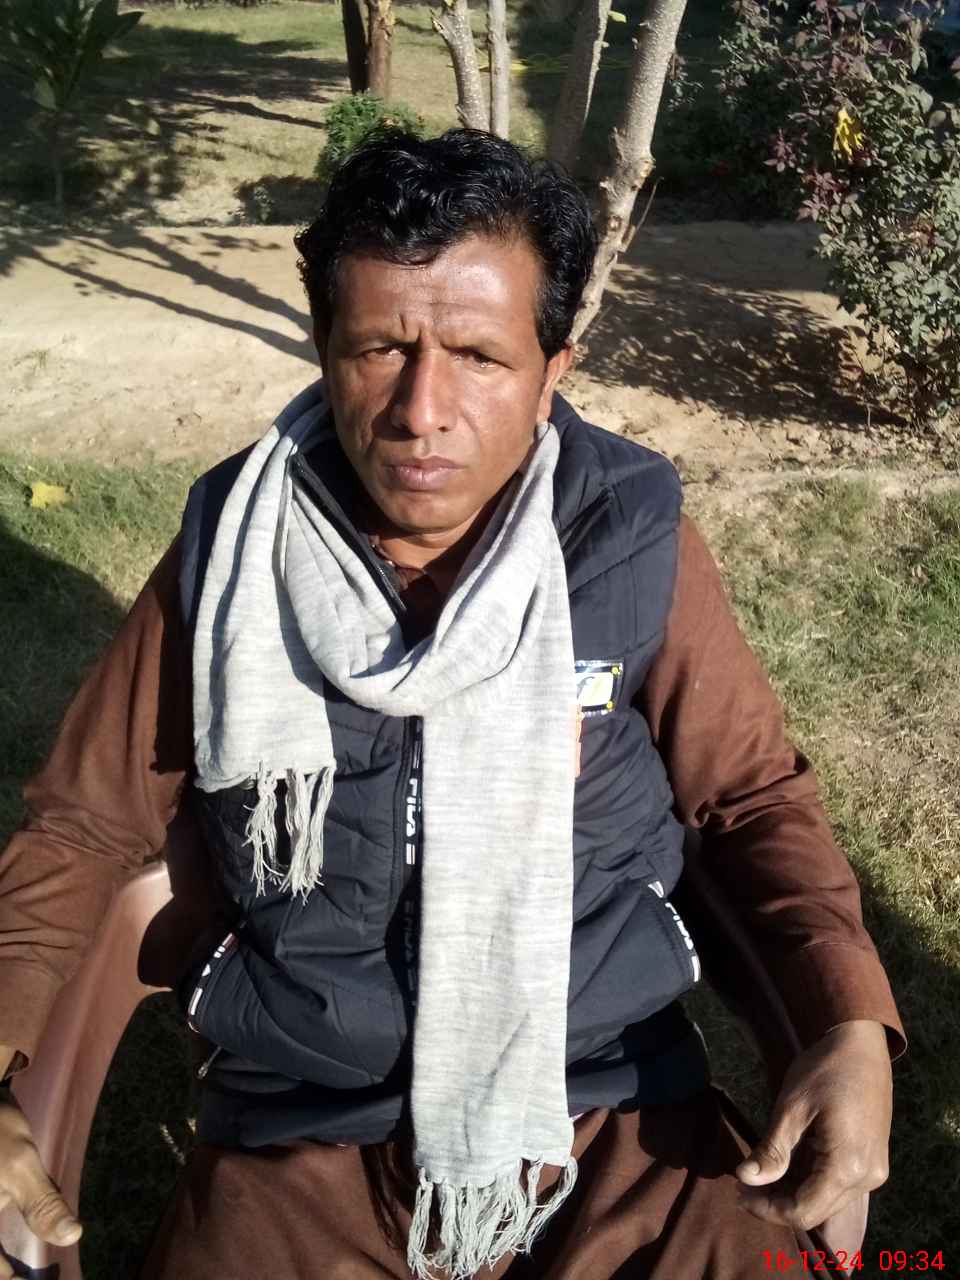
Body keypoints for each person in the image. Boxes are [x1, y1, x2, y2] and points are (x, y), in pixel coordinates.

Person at [0, 130, 902, 1280]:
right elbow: (85, 822)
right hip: (304, 1118)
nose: (421, 409)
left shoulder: (630, 536)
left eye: (478, 355)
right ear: (325, 345)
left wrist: (847, 1022)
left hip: (607, 1100)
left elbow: (749, 799)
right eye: (381, 346)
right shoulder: (233, 549)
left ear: (552, 368)